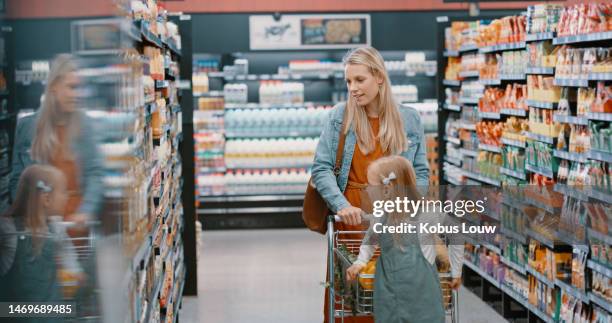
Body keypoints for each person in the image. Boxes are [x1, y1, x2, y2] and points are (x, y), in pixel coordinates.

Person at [311, 46, 430, 323]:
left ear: (379, 77)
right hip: (352, 220)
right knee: (352, 300)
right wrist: (341, 205)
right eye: (348, 81)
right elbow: (321, 168)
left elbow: (421, 173)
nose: (353, 88)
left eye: (359, 80)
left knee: (395, 298)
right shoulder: (340, 116)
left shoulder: (409, 119)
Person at [345, 156, 464, 323]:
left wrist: (456, 270)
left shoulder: (426, 214)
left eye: (370, 185)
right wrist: (360, 262)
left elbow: (456, 233)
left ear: (387, 189)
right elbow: (370, 241)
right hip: (389, 295)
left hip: (422, 298)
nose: (366, 189)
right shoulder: (380, 216)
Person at [10, 54, 103, 228]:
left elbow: (95, 174)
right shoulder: (26, 127)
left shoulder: (85, 125)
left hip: (76, 228)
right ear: (54, 87)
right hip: (41, 232)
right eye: (71, 87)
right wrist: (31, 214)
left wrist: (85, 211)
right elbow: (17, 181)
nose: (76, 95)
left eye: (79, 88)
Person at [0, 165, 83, 320]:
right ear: (46, 199)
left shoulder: (56, 229)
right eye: (63, 191)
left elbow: (72, 266)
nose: (67, 197)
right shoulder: (8, 232)